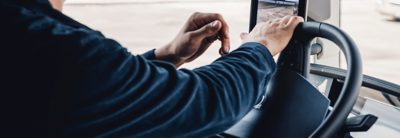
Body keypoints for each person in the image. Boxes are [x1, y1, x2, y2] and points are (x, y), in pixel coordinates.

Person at [0, 0, 304, 137]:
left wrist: (167, 55)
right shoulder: (52, 47)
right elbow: (207, 101)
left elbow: (78, 98)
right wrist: (259, 46)